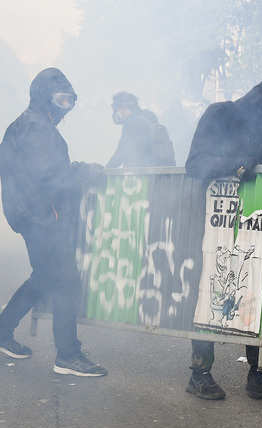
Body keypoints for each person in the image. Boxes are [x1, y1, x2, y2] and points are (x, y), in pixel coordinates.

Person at [185, 74, 262, 400]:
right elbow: (195, 164)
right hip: (214, 222)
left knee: (254, 290)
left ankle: (255, 371)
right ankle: (199, 373)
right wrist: (235, 165)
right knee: (210, 291)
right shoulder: (220, 114)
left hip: (253, 223)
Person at [0, 68, 107, 376]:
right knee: (66, 281)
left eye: (71, 101)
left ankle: (3, 330)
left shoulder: (22, 125)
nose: (66, 108)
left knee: (44, 277)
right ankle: (68, 355)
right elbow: (50, 178)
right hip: (42, 217)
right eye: (61, 100)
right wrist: (84, 173)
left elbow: (39, 170)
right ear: (43, 96)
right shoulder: (37, 129)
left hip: (29, 214)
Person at [106, 91, 175, 168]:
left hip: (140, 174)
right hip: (159, 172)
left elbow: (121, 153)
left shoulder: (131, 124)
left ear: (123, 108)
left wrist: (106, 170)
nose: (116, 112)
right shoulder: (149, 117)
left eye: (117, 109)